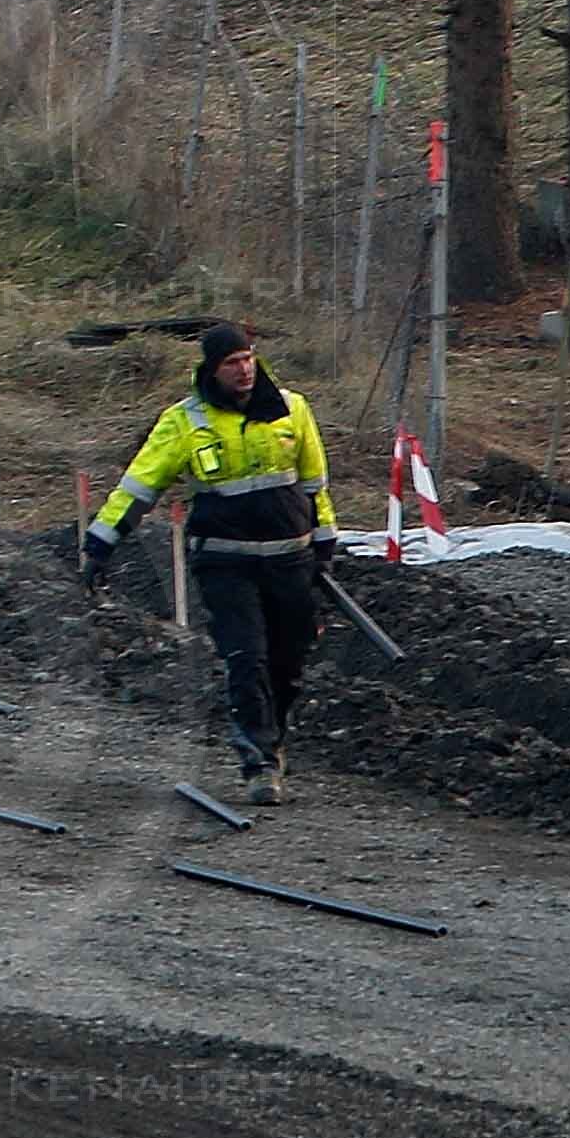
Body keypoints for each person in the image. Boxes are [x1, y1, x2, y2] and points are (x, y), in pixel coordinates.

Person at [87, 321, 340, 802]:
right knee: (247, 660)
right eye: (231, 363)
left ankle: (274, 738)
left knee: (287, 664)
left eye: (248, 358)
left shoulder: (294, 409)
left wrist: (324, 546)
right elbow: (140, 487)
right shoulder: (185, 422)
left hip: (290, 562)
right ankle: (258, 763)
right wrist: (100, 543)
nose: (244, 370)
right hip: (226, 565)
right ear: (212, 369)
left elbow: (315, 487)